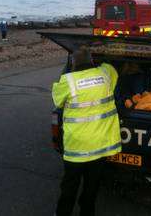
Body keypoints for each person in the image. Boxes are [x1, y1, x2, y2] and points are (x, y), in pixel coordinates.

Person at [52, 49, 121, 216]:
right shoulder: (105, 75)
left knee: (70, 185)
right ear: (92, 61)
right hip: (99, 146)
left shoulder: (68, 81)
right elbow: (111, 67)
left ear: (73, 63)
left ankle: (63, 213)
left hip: (76, 148)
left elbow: (57, 101)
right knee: (92, 186)